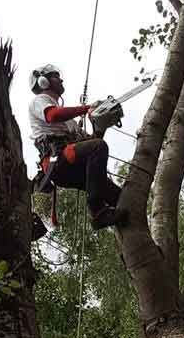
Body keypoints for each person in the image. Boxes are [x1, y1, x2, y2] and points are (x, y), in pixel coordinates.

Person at [28, 64, 126, 231]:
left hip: (73, 165)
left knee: (119, 196)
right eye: (56, 76)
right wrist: (87, 108)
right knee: (98, 147)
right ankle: (97, 213)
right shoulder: (40, 101)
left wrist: (100, 126)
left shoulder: (70, 123)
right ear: (44, 81)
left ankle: (123, 225)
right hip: (57, 160)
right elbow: (52, 115)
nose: (61, 79)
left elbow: (92, 142)